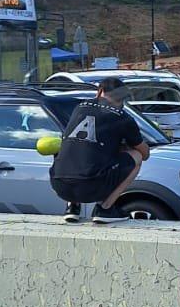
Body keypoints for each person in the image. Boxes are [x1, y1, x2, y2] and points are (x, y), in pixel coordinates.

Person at [49, 78, 150, 224]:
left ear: (100, 91)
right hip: (90, 187)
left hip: (59, 184)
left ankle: (72, 207)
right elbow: (145, 154)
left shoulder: (79, 108)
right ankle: (105, 209)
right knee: (137, 157)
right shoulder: (122, 117)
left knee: (74, 147)